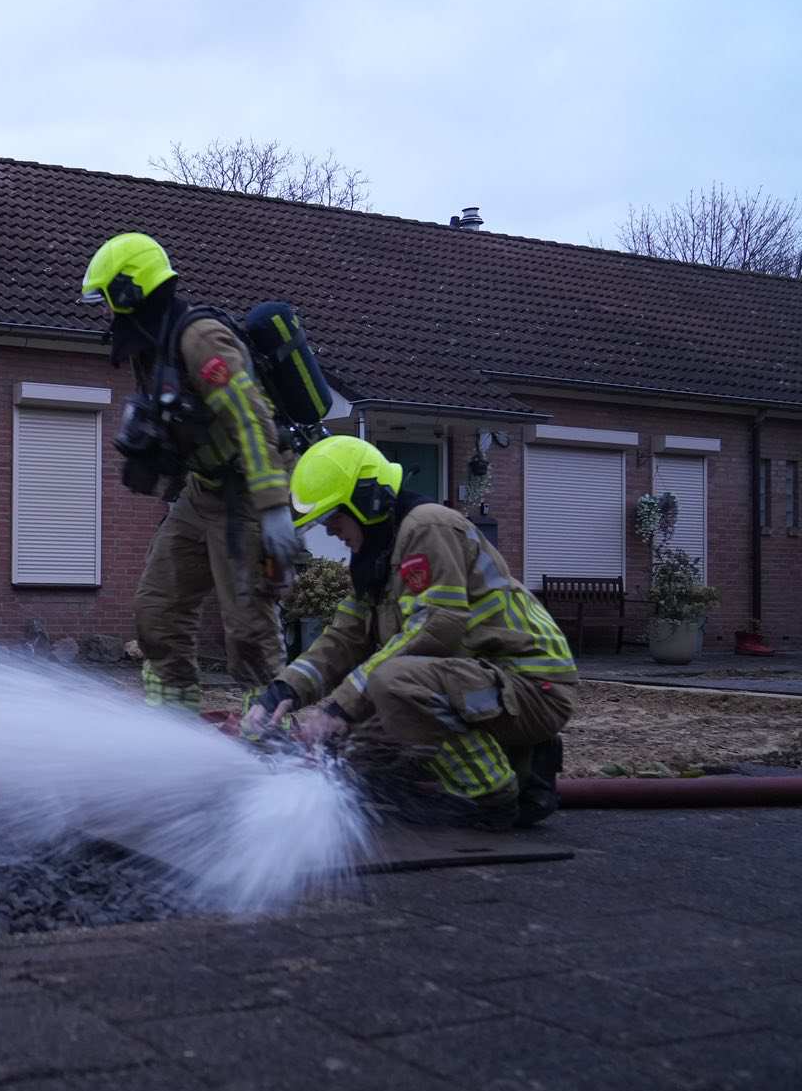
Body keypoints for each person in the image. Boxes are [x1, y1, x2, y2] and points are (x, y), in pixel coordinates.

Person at [240, 437, 575, 829]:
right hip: (481, 685)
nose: (331, 531)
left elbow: (437, 626)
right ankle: (524, 761)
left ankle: (493, 796)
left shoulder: (427, 527)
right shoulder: (377, 561)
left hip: (532, 686)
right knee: (354, 755)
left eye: (335, 517)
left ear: (367, 501)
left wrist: (339, 707)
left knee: (392, 683)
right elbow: (342, 639)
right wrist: (284, 691)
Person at [79, 232, 303, 711]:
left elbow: (252, 421)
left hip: (247, 491)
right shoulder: (153, 348)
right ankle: (173, 718)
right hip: (203, 492)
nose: (107, 315)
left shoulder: (200, 340)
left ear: (130, 291)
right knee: (157, 610)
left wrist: (274, 509)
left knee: (248, 629)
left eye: (108, 301)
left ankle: (276, 736)